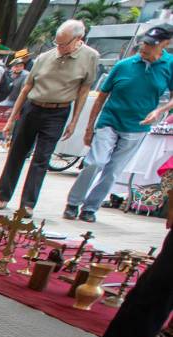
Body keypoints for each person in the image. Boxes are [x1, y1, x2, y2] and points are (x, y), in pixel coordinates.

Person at [65, 27, 173, 222]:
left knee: (113, 170)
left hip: (137, 127)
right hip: (110, 121)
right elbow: (101, 97)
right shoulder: (124, 65)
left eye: (151, 44)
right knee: (95, 162)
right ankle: (73, 202)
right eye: (145, 42)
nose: (145, 47)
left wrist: (159, 111)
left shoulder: (169, 65)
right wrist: (90, 127)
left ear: (165, 44)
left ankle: (91, 207)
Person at [0, 20, 98, 214]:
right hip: (32, 107)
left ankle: (27, 204)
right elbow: (27, 88)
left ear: (78, 39)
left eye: (64, 44)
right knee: (16, 153)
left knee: (41, 159)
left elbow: (84, 91)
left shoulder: (90, 57)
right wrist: (12, 117)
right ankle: (3, 195)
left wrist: (74, 121)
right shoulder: (45, 57)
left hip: (58, 112)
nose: (59, 48)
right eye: (57, 43)